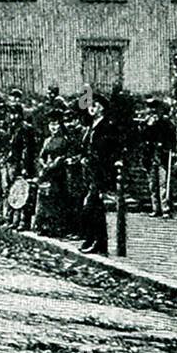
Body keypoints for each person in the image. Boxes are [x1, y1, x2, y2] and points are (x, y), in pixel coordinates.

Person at [33, 112, 75, 237]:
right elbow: (41, 155)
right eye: (51, 124)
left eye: (56, 124)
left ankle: (56, 227)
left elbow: (64, 156)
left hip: (58, 173)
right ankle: (43, 226)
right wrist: (44, 164)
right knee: (44, 198)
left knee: (56, 198)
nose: (53, 127)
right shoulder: (47, 140)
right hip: (47, 171)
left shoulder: (64, 140)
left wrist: (55, 164)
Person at [79, 96, 112, 255]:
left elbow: (107, 152)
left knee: (92, 206)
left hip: (100, 171)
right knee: (92, 208)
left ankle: (99, 241)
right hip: (89, 171)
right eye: (89, 105)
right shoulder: (91, 125)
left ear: (102, 108)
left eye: (95, 105)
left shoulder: (106, 126)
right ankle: (91, 238)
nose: (91, 108)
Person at [142, 98, 177, 219]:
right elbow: (143, 138)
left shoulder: (165, 123)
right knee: (152, 185)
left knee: (163, 184)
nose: (152, 111)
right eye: (150, 108)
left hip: (162, 156)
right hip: (151, 156)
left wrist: (170, 149)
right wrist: (147, 126)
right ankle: (155, 208)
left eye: (154, 109)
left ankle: (165, 208)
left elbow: (172, 138)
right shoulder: (146, 123)